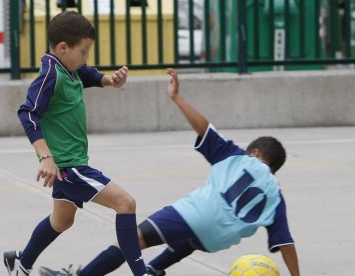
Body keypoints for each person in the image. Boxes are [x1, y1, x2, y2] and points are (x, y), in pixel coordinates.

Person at [39, 68, 300, 276]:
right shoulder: (277, 197)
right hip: (217, 239)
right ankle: (155, 268)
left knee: (132, 239)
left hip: (196, 215)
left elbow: (205, 128)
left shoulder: (240, 157)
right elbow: (286, 243)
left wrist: (176, 97)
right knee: (188, 239)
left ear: (255, 153)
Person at [3, 11, 150, 276]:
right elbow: (28, 113)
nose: (86, 58)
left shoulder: (67, 68)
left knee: (61, 221)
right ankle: (141, 273)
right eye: (83, 51)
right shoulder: (50, 74)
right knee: (126, 203)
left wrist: (108, 79)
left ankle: (21, 263)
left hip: (71, 163)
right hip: (69, 166)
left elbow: (85, 73)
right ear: (63, 48)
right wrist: (45, 156)